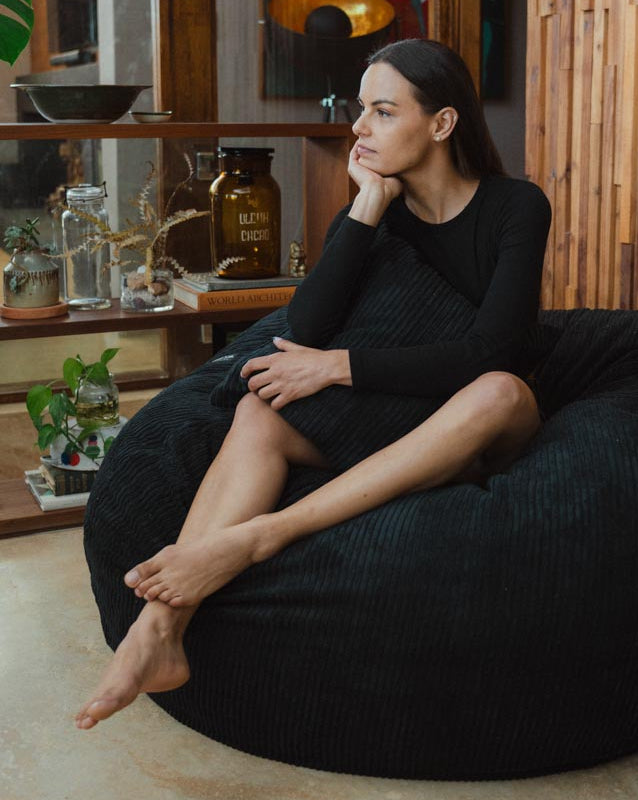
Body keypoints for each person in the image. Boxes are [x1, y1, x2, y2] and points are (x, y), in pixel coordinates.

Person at [75, 38, 551, 730]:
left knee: (501, 389)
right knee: (259, 414)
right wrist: (365, 209)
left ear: (442, 124)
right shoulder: (377, 212)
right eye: (362, 111)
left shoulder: (516, 207)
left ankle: (259, 538)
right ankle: (159, 630)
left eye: (383, 112)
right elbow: (306, 321)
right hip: (400, 415)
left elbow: (492, 350)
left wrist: (337, 367)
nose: (358, 129)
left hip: (482, 425)